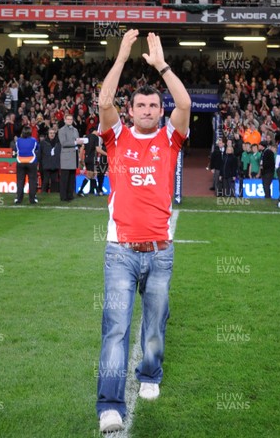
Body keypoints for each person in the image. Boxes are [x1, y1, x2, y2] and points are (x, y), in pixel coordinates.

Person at [96, 30, 191, 434]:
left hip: (160, 252)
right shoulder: (116, 136)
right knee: (116, 327)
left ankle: (150, 375)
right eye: (142, 105)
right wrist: (120, 59)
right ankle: (110, 404)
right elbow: (103, 101)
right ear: (131, 110)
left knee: (154, 324)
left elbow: (184, 103)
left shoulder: (171, 137)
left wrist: (162, 66)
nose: (149, 110)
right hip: (120, 250)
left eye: (154, 105)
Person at [58, 113, 83, 202]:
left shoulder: (75, 130)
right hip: (66, 156)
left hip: (74, 155)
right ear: (65, 120)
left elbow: (77, 140)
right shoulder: (61, 130)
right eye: (68, 119)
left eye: (71, 119)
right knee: (65, 178)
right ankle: (63, 196)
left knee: (72, 177)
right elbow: (63, 143)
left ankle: (70, 195)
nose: (69, 121)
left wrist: (80, 142)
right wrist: (76, 142)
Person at [15, 126, 39, 205]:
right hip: (31, 162)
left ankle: (19, 198)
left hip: (20, 161)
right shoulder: (33, 140)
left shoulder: (18, 140)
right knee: (32, 181)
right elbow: (37, 148)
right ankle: (32, 199)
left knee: (20, 181)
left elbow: (16, 149)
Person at [77, 129, 100, 196]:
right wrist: (106, 153)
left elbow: (82, 148)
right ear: (95, 131)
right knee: (90, 174)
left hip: (87, 159)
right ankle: (80, 191)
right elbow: (98, 149)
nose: (98, 133)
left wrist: (81, 158)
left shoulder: (86, 137)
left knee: (93, 174)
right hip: (92, 159)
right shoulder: (95, 137)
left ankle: (97, 191)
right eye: (97, 131)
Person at [39, 128, 60, 193]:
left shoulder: (58, 143)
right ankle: (43, 194)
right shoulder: (43, 143)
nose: (52, 134)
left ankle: (53, 194)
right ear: (48, 134)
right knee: (45, 181)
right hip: (46, 165)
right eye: (50, 133)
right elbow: (40, 154)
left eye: (53, 133)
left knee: (54, 181)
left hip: (55, 165)